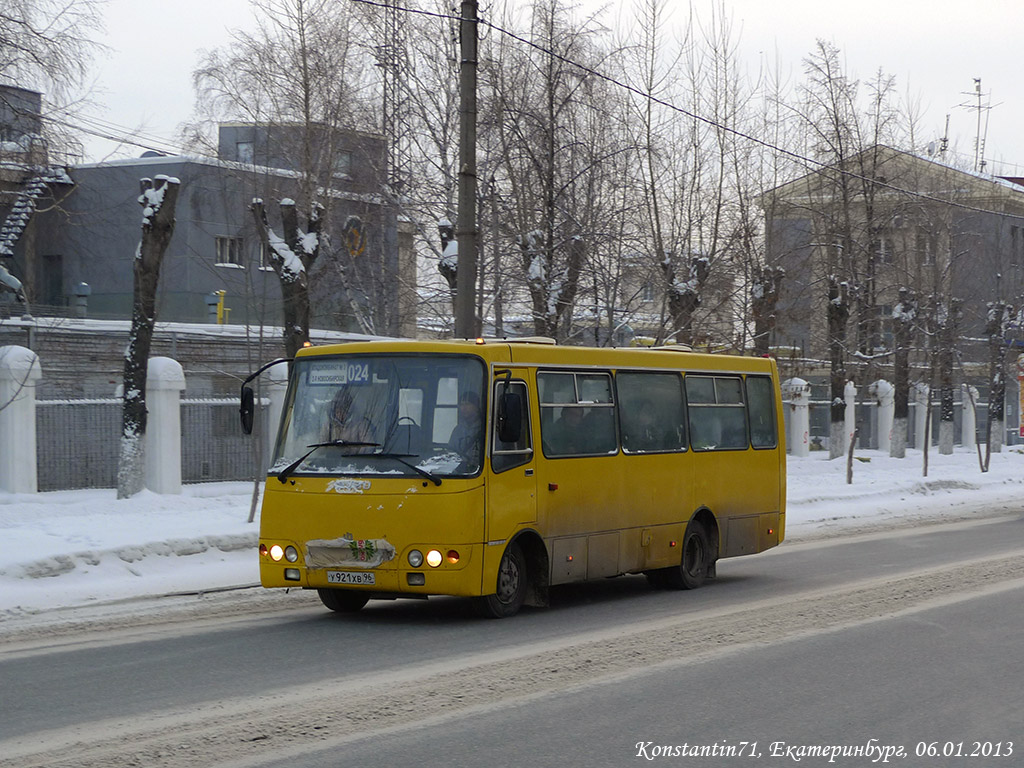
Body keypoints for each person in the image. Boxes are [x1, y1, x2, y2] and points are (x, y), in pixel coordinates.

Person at [447, 390, 482, 467]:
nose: (464, 408)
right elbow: (450, 452)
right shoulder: (458, 430)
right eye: (461, 405)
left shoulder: (486, 429)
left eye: (467, 404)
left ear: (476, 407)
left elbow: (497, 459)